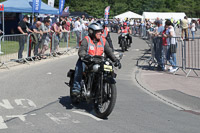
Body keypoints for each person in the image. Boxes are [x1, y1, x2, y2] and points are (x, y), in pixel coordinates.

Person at [72, 23, 121, 96]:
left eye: (101, 31)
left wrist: (116, 60)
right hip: (87, 61)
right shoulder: (87, 39)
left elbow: (109, 51)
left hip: (99, 61)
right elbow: (82, 50)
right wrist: (84, 56)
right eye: (98, 31)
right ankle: (76, 88)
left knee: (108, 70)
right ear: (92, 32)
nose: (100, 33)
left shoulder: (103, 40)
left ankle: (100, 89)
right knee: (79, 67)